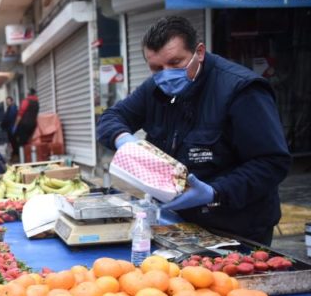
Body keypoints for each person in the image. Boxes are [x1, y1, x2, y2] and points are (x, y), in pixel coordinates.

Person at [97, 16, 291, 245]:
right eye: (156, 68)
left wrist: (214, 192)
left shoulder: (242, 91)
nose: (166, 74)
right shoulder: (156, 87)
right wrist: (124, 140)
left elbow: (272, 162)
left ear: (199, 52)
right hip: (179, 223)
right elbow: (111, 117)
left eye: (176, 62)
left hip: (239, 228)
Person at [12, 89, 39, 161]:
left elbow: (20, 114)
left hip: (24, 124)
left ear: (28, 94)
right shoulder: (36, 102)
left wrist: (15, 125)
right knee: (28, 142)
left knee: (21, 143)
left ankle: (22, 160)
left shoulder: (26, 101)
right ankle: (30, 159)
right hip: (33, 125)